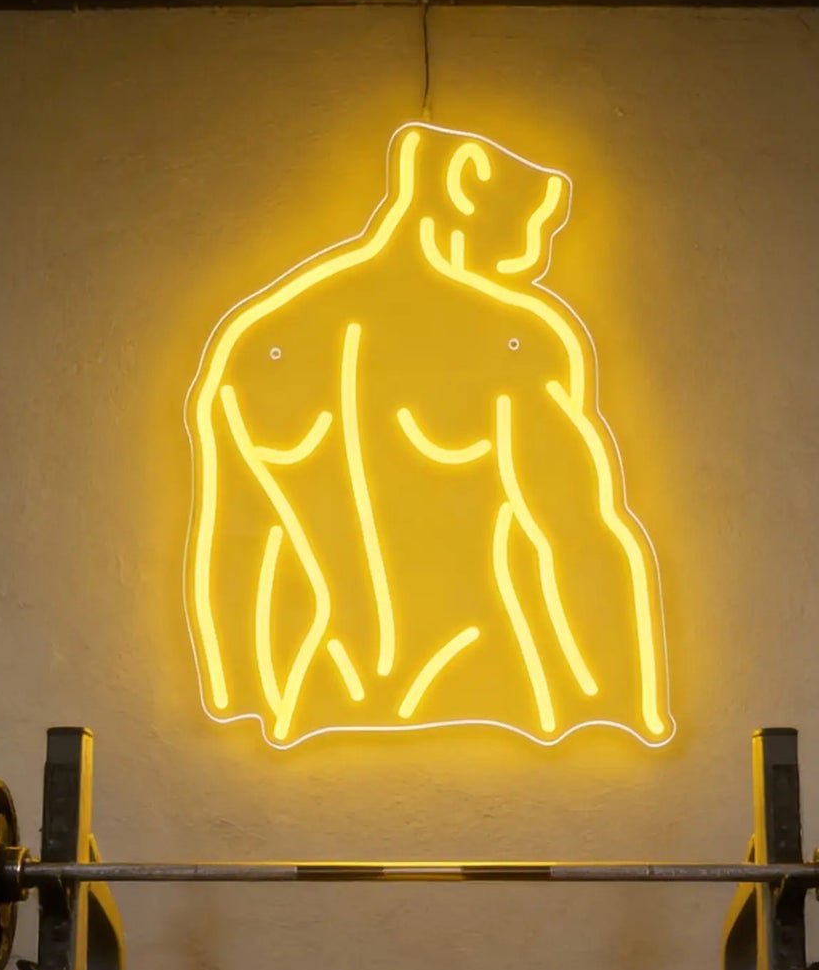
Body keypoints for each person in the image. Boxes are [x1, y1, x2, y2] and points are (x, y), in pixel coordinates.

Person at [185, 123, 671, 747]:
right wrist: (621, 707)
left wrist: (240, 701)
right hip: (481, 689)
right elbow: (577, 532)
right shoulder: (509, 340)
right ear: (466, 183)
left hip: (325, 697)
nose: (536, 255)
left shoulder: (258, 343)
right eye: (532, 222)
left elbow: (234, 544)